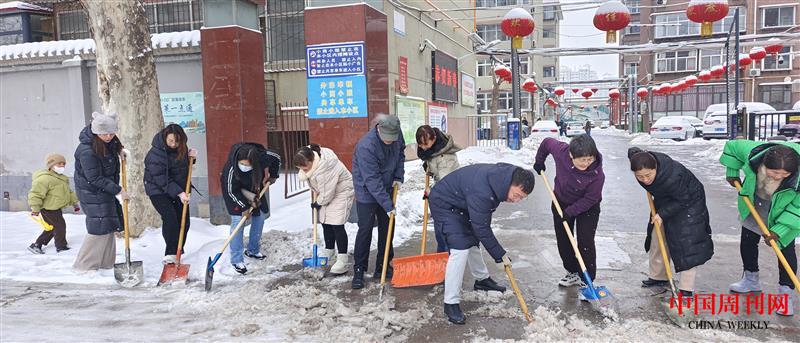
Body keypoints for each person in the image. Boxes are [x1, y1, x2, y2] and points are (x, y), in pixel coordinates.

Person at [429, 163, 536, 324]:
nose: (516, 200)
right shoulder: (484, 192)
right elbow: (483, 228)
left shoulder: (501, 180)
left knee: (472, 240)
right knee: (460, 249)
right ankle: (450, 302)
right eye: (517, 195)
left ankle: (482, 280)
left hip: (462, 202)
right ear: (510, 184)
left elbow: (480, 227)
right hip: (444, 204)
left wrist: (498, 254)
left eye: (522, 198)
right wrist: (499, 255)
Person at [720, 141, 799, 316]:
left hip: (785, 210)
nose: (779, 176)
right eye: (775, 172)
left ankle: (785, 295)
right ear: (764, 164)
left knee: (785, 250)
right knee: (748, 241)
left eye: (785, 174)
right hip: (756, 202)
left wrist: (779, 230)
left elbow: (797, 209)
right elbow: (732, 147)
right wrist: (732, 172)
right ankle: (750, 280)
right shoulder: (754, 153)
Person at [628, 147, 714, 297]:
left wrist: (662, 213)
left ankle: (686, 289)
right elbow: (634, 154)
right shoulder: (642, 162)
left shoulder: (673, 176)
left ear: (656, 168)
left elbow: (683, 199)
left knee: (687, 244)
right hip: (665, 199)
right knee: (657, 237)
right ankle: (659, 277)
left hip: (689, 201)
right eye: (640, 177)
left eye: (648, 175)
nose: (645, 180)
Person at [533, 135, 604, 289]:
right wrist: (539, 161)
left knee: (585, 242)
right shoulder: (561, 151)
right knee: (564, 239)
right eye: (582, 160)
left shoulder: (597, 174)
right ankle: (572, 271)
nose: (586, 163)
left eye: (589, 159)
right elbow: (546, 142)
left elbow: (590, 199)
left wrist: (570, 212)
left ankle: (587, 280)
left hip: (588, 207)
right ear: (571, 155)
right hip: (561, 201)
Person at [351, 114, 405, 289]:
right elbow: (372, 180)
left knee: (388, 226)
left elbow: (400, 153)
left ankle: (383, 265)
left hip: (388, 185)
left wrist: (398, 175)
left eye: (392, 139)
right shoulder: (366, 146)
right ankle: (359, 269)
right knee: (365, 228)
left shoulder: (396, 133)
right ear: (379, 129)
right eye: (386, 139)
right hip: (367, 191)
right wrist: (388, 205)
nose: (390, 142)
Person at [73, 112, 126, 271]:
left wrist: (119, 151)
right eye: (105, 133)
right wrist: (118, 190)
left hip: (104, 191)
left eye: (112, 133)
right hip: (93, 192)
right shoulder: (87, 150)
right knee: (99, 226)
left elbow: (110, 151)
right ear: (96, 132)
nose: (109, 136)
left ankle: (105, 264)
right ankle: (84, 266)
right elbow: (94, 178)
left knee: (109, 225)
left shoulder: (107, 143)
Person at [220, 142, 281, 274]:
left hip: (253, 187)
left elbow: (276, 157)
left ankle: (252, 250)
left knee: (260, 216)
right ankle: (236, 259)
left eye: (248, 165)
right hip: (234, 192)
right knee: (238, 221)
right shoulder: (230, 169)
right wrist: (243, 207)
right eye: (242, 164)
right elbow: (231, 192)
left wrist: (273, 175)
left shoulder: (262, 158)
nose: (245, 167)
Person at [296, 144, 355, 275]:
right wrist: (317, 198)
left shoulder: (326, 166)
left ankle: (342, 260)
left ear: (312, 161)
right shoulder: (308, 160)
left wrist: (318, 202)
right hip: (325, 193)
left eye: (305, 168)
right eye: (301, 169)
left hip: (342, 192)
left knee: (337, 224)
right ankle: (330, 252)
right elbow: (321, 188)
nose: (303, 171)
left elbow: (328, 192)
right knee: (325, 221)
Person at [144, 124, 198, 265]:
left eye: (177, 141)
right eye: (171, 141)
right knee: (171, 219)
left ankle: (178, 251)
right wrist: (179, 193)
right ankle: (170, 254)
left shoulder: (181, 148)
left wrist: (191, 158)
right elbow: (161, 179)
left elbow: (181, 168)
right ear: (164, 138)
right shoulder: (155, 154)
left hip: (177, 189)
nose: (174, 144)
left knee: (184, 222)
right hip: (158, 190)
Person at [416, 125, 461, 252]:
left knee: (446, 231)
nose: (423, 147)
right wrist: (429, 168)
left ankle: (447, 261)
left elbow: (445, 183)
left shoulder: (445, 157)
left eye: (426, 144)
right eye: (420, 144)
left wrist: (432, 191)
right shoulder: (434, 150)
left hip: (451, 196)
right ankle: (442, 258)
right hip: (442, 196)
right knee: (441, 231)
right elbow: (436, 169)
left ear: (434, 138)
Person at [27, 153, 80, 254]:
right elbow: (36, 194)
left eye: (63, 164)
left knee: (53, 227)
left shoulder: (61, 178)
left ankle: (37, 244)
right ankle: (61, 246)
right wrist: (35, 208)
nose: (62, 166)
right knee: (59, 226)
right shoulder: (44, 179)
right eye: (59, 163)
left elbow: (69, 192)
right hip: (47, 209)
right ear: (51, 165)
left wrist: (75, 203)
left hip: (55, 208)